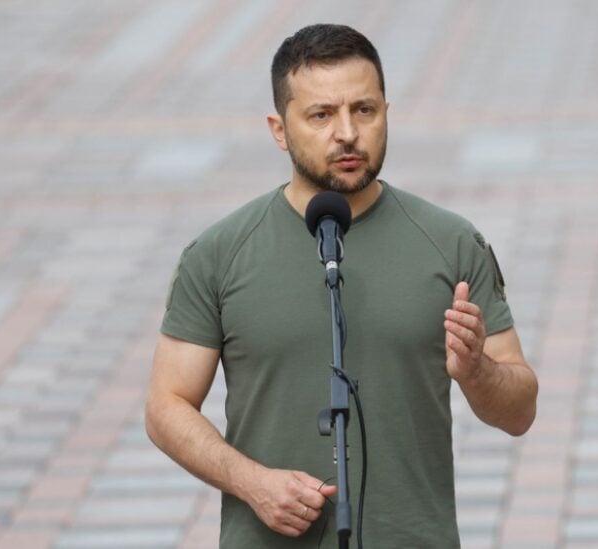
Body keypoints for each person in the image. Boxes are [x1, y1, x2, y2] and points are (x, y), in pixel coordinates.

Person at [145, 23, 538, 548]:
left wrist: (477, 371)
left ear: (386, 114)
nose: (347, 133)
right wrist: (253, 483)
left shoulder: (451, 243)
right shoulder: (219, 254)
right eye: (321, 115)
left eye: (365, 110)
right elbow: (165, 406)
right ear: (279, 128)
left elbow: (519, 412)